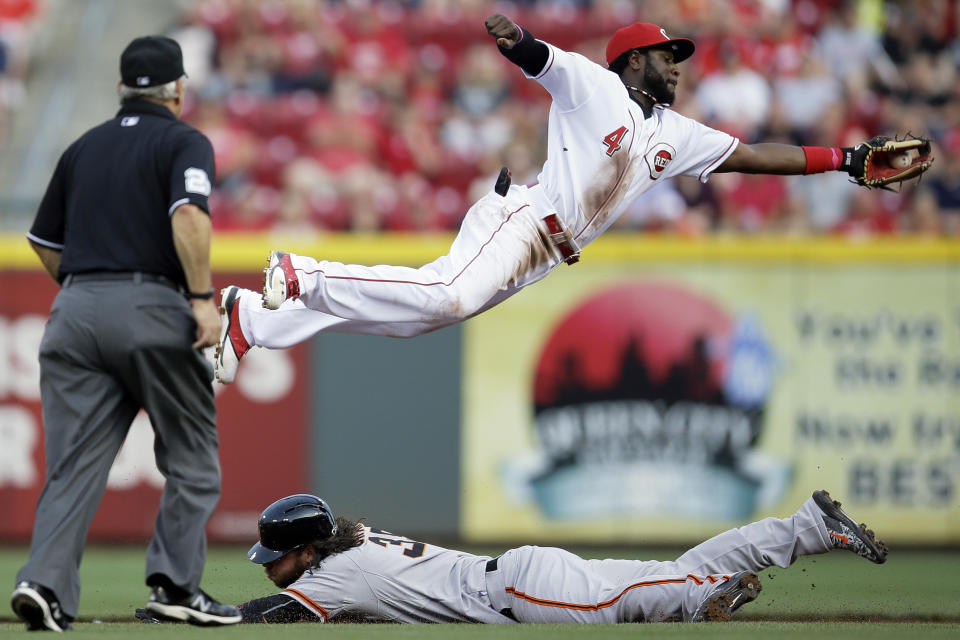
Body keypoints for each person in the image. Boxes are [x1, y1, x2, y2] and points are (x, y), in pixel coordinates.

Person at [213, 14, 910, 384]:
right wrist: (517, 42)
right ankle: (303, 270)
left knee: (413, 320)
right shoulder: (596, 85)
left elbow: (757, 157)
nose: (676, 64)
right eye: (668, 55)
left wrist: (845, 160)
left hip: (546, 254)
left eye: (678, 57)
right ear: (635, 60)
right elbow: (542, 59)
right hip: (522, 218)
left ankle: (255, 321)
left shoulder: (678, 133)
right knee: (445, 296)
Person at [11, 36, 240, 631]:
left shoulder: (83, 147)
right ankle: (177, 585)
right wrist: (199, 299)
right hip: (154, 305)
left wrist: (91, 291)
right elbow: (188, 214)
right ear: (179, 90)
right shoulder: (183, 139)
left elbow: (42, 240)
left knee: (72, 466)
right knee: (191, 456)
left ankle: (43, 585)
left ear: (121, 88)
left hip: (76, 310)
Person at [194, 490, 884, 624]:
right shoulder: (354, 541)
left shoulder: (335, 572)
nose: (266, 564)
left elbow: (258, 618)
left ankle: (715, 591)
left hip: (521, 595)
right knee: (657, 576)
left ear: (308, 549)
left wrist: (200, 613)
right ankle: (808, 529)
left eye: (274, 556)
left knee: (647, 600)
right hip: (523, 575)